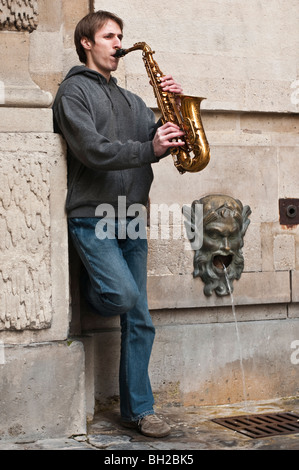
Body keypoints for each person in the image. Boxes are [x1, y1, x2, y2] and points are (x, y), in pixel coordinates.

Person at [52, 10, 185, 438]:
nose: (118, 43)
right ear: (87, 43)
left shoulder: (132, 101)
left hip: (132, 219)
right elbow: (94, 150)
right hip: (93, 216)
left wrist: (176, 109)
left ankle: (139, 411)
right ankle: (96, 292)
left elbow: (173, 148)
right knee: (122, 295)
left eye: (121, 36)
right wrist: (149, 147)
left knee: (140, 319)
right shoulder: (73, 92)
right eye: (109, 36)